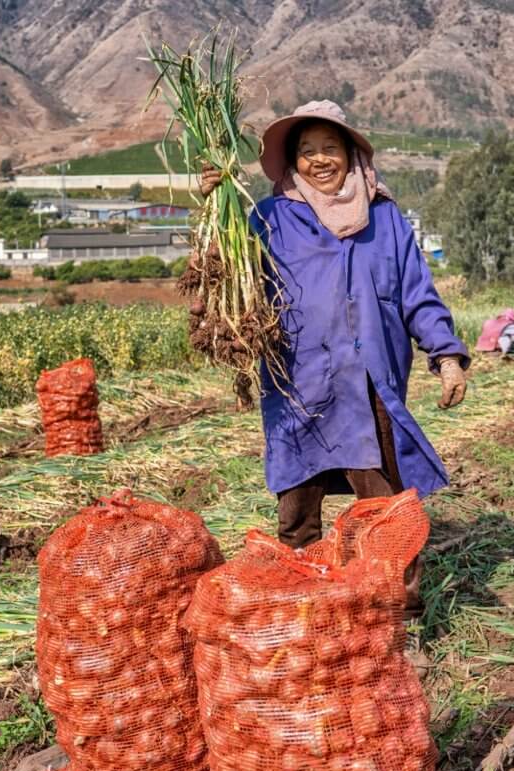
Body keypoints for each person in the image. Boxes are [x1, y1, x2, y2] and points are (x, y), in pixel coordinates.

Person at [201, 100, 469, 609]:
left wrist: (446, 354)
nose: (320, 160)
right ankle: (306, 615)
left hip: (369, 387)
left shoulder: (385, 219)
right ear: (291, 162)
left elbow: (417, 294)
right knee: (298, 513)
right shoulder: (269, 218)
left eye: (331, 149)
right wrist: (216, 212)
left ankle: (394, 618)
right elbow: (227, 275)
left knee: (385, 512)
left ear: (352, 156)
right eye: (307, 152)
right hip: (298, 387)